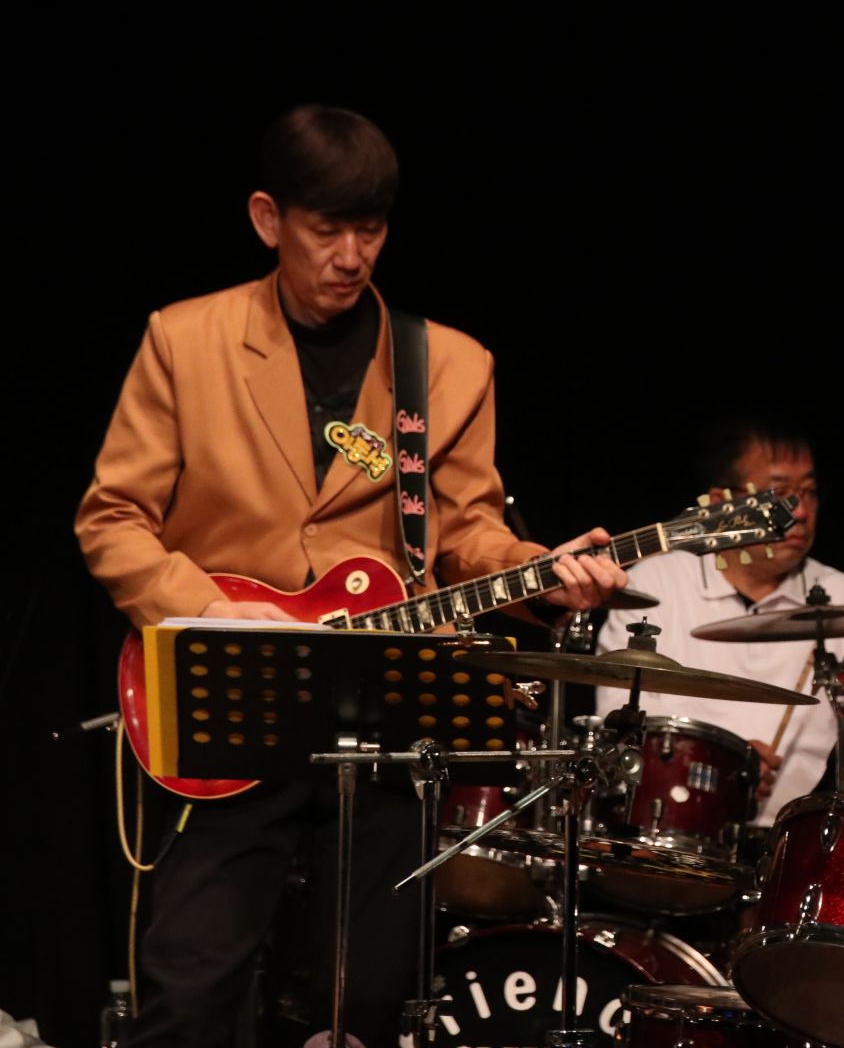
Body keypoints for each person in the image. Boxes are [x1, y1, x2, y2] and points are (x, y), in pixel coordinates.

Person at [75, 105, 627, 1046]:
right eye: (326, 230)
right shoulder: (185, 338)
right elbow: (112, 517)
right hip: (237, 695)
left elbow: (468, 532)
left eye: (369, 231)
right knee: (190, 990)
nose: (350, 256)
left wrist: (541, 572)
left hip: (385, 711)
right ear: (268, 218)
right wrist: (209, 608)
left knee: (366, 1002)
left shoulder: (449, 364)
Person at [594, 420, 844, 824]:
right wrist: (721, 768)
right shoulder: (656, 585)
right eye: (779, 494)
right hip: (672, 831)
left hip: (801, 843)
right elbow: (620, 727)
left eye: (809, 492)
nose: (800, 512)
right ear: (721, 501)